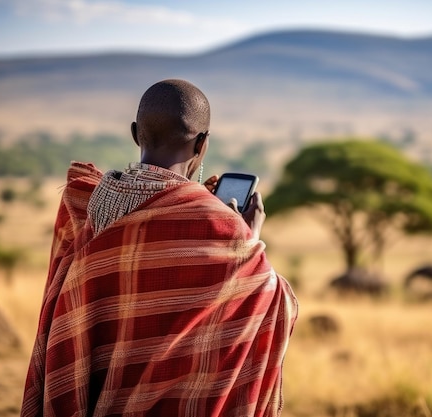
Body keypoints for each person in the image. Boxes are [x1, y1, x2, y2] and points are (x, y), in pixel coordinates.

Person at [21, 79, 298, 416]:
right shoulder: (223, 228)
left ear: (137, 133)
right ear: (202, 144)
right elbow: (272, 301)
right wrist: (249, 241)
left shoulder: (88, 207)